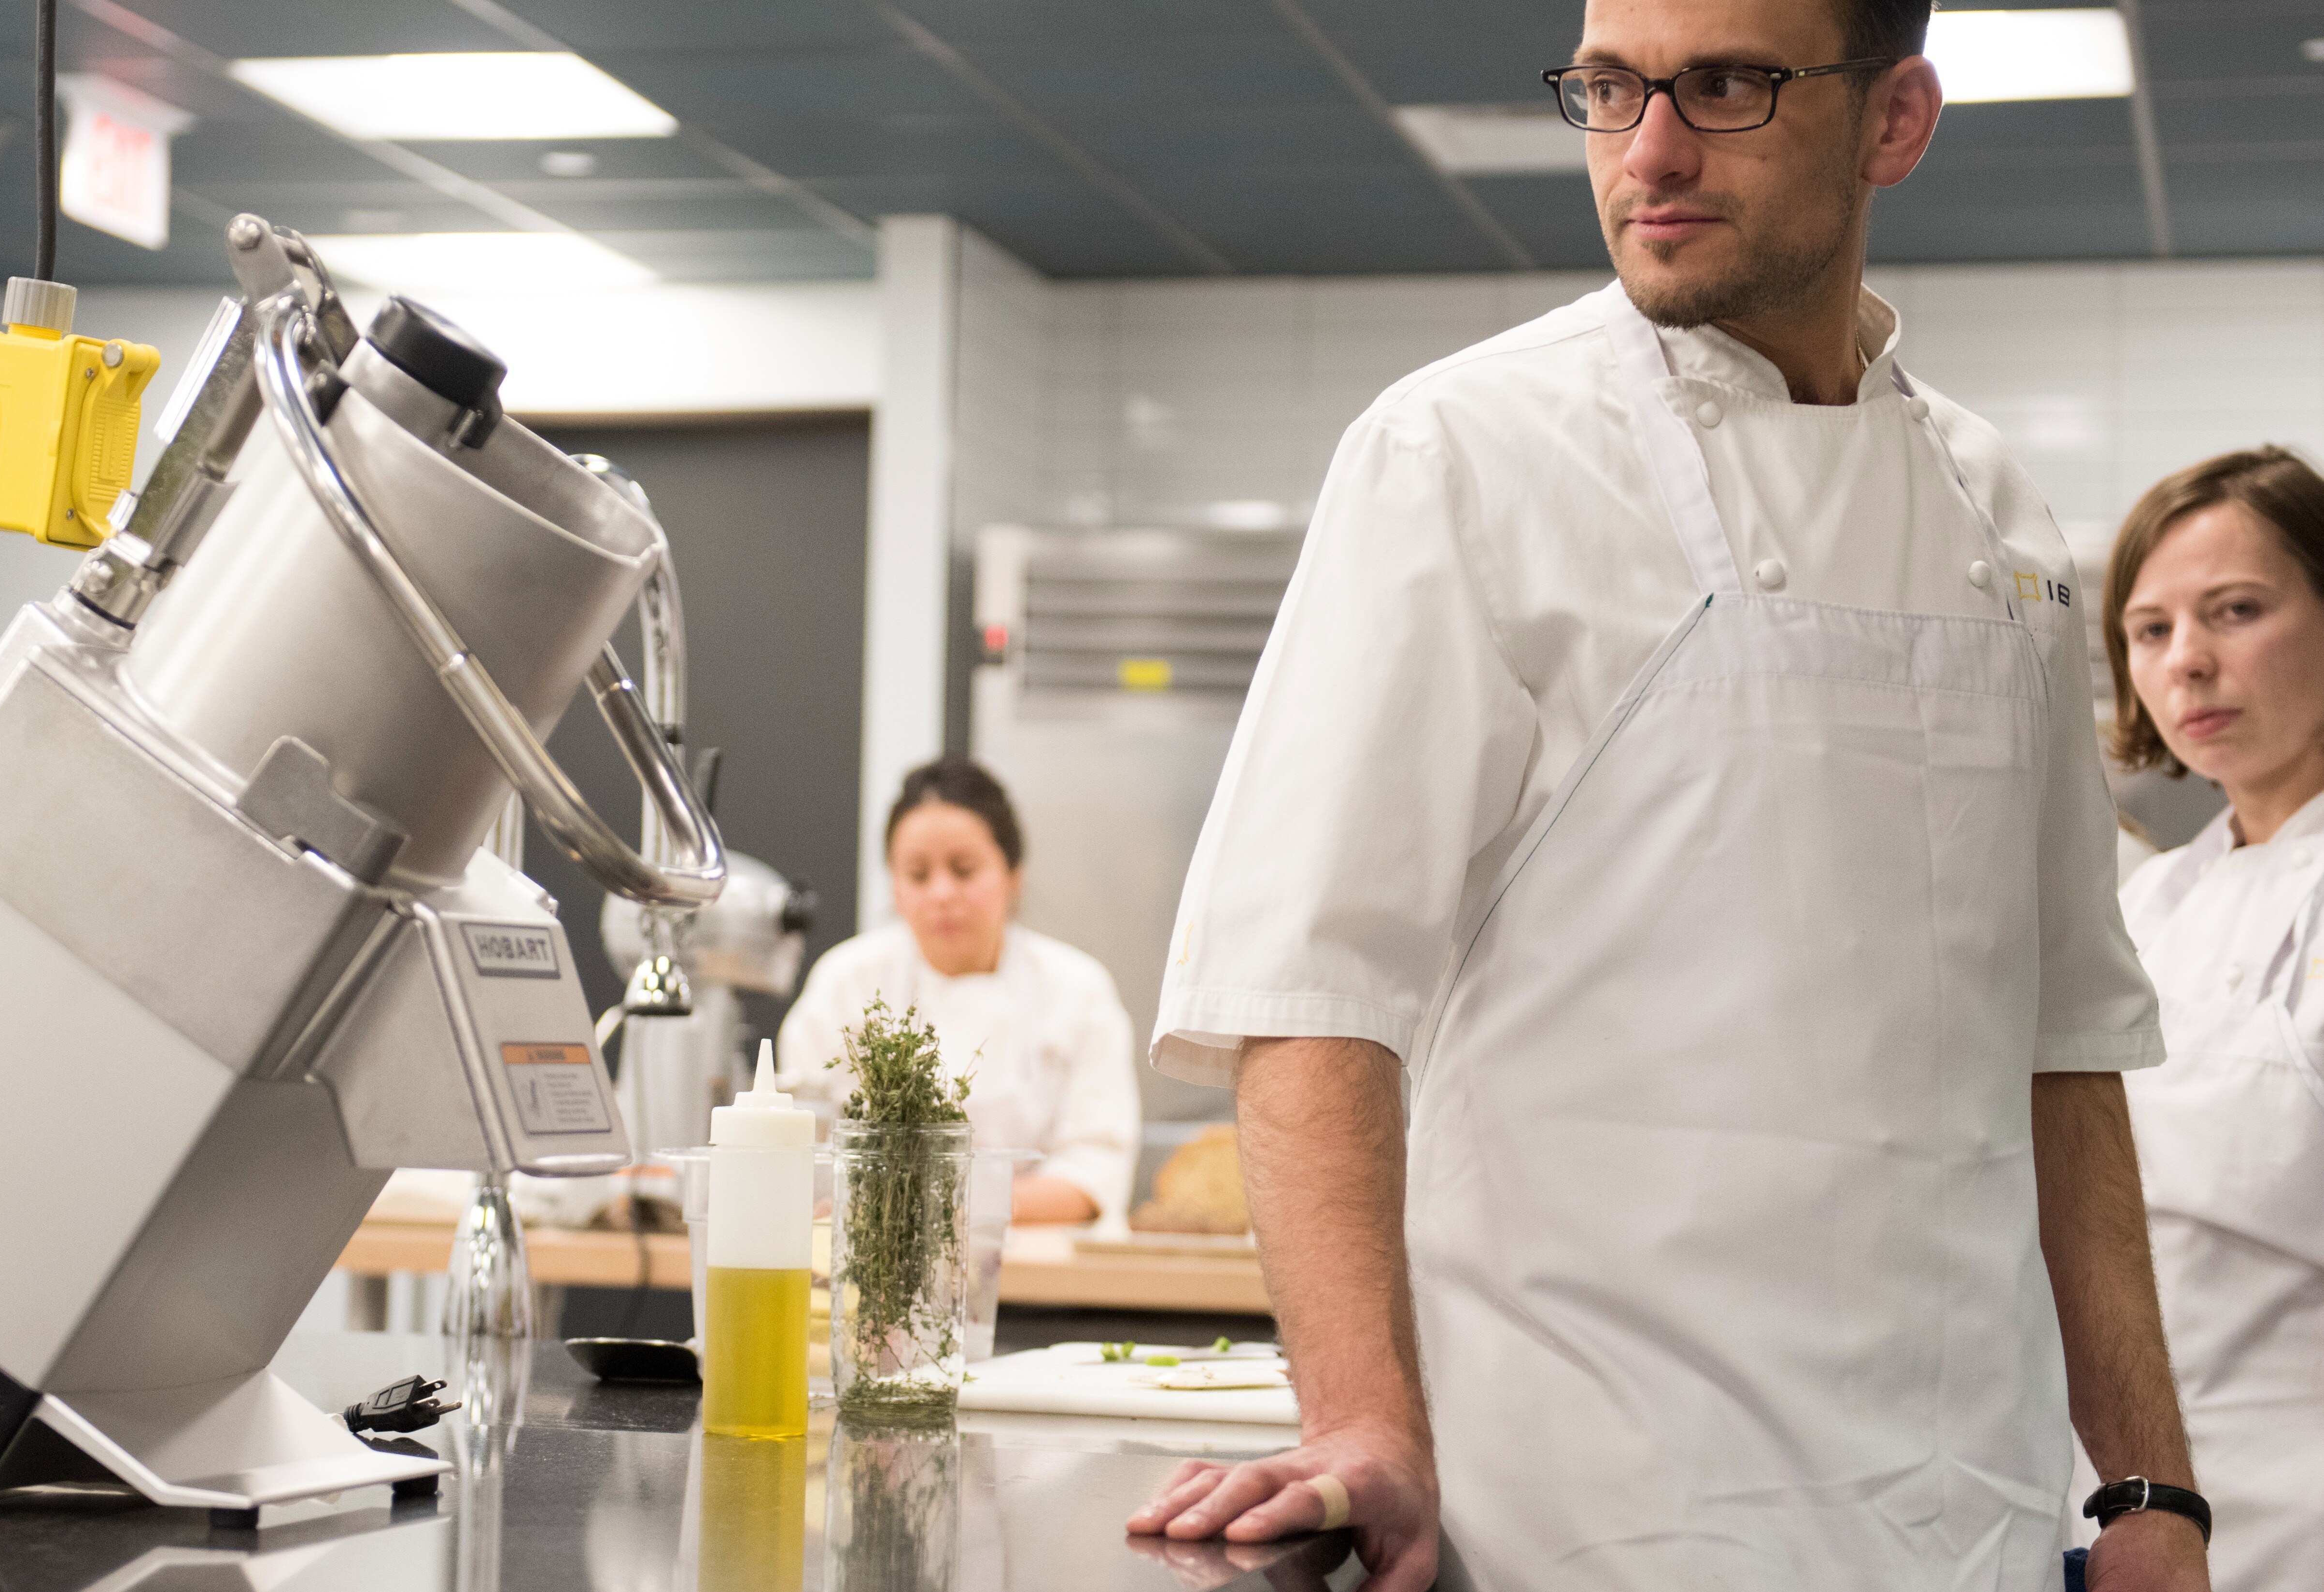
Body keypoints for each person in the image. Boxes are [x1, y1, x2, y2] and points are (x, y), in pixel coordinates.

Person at [1123, 0, 2211, 1586]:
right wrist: (1357, 1420)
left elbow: (2061, 1045)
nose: (1647, 151)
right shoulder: (1459, 455)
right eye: (1609, 89)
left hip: (1956, 1516)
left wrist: (2146, 1488)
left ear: (1891, 120)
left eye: (1723, 85)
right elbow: (1308, 993)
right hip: (1583, 1513)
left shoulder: (1998, 520)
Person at [2101, 446, 2324, 1588]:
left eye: (2235, 611)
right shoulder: (2149, 904)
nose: (2187, 661)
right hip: (2149, 1518)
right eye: (2150, 631)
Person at [775, 757, 1141, 1226]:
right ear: (894, 884)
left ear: (1013, 874)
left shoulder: (1076, 990)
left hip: (1037, 1274)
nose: (942, 893)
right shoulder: (847, 983)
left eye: (964, 869)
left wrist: (952, 1212)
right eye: (918, 874)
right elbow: (806, 1148)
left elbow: (1093, 1171)